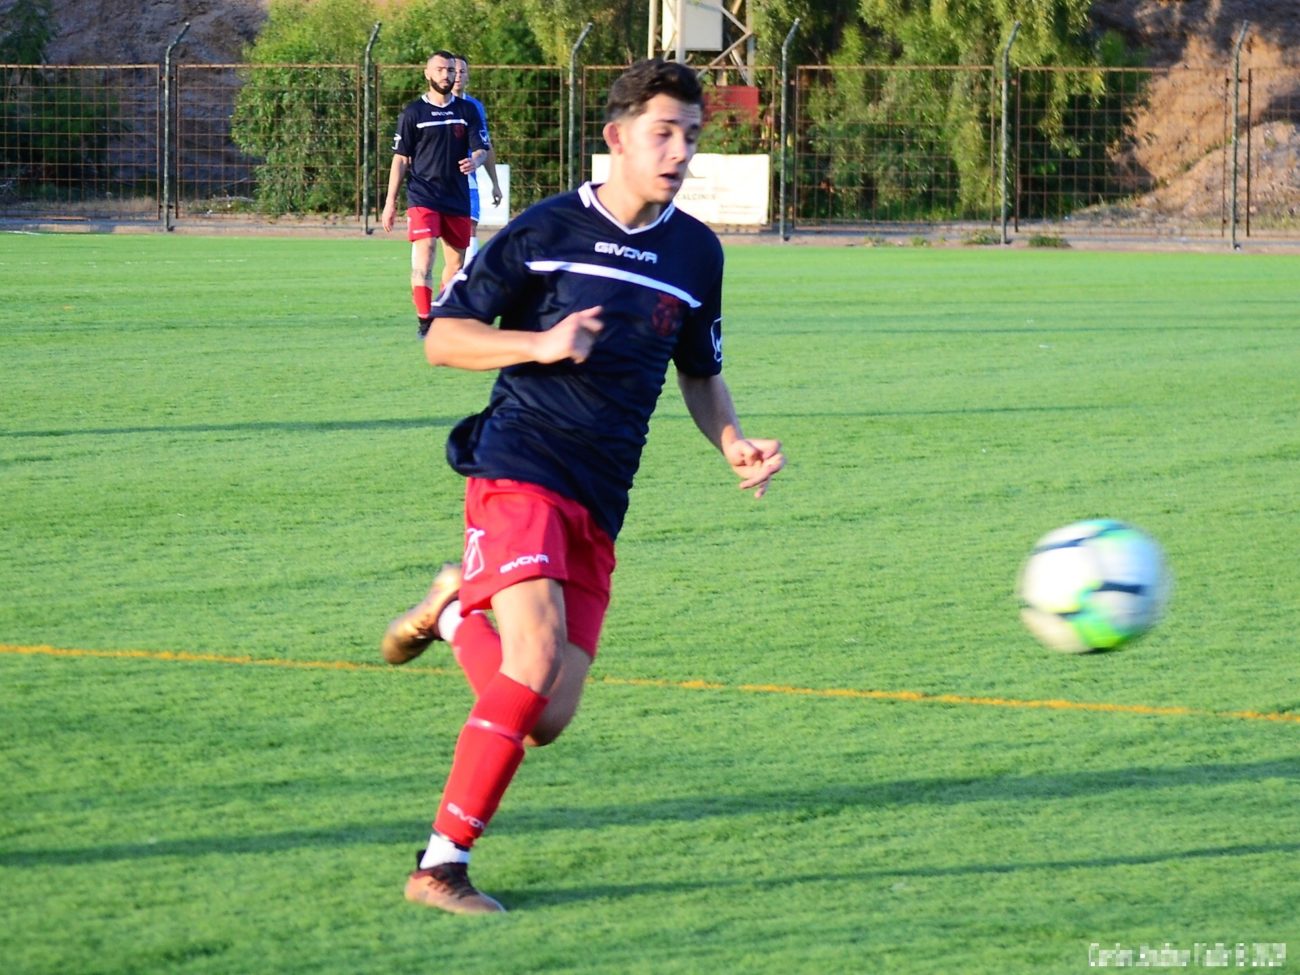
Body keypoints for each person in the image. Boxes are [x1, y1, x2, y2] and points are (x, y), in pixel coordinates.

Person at [380, 57, 786, 915]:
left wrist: (734, 442)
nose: (679, 151)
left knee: (545, 717)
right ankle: (439, 864)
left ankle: (453, 612)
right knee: (529, 659)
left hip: (600, 495)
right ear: (617, 139)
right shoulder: (546, 229)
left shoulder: (697, 253)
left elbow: (700, 371)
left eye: (691, 135)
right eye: (663, 133)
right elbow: (443, 339)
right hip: (519, 461)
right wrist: (540, 343)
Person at [381, 50, 489, 333]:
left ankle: (440, 312)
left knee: (456, 264)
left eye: (450, 70)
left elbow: (481, 148)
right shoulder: (413, 113)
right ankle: (424, 319)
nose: (446, 75)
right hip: (423, 195)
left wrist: (475, 161)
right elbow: (400, 159)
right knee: (426, 251)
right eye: (440, 69)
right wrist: (390, 202)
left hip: (457, 196)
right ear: (427, 73)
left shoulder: (467, 111)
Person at [452, 54, 503, 261]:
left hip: (467, 177)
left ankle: (467, 276)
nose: (457, 76)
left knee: (470, 226)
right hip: (435, 179)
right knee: (429, 236)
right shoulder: (429, 105)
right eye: (453, 71)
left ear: (468, 76)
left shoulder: (474, 107)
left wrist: (495, 183)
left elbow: (485, 145)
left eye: (462, 71)